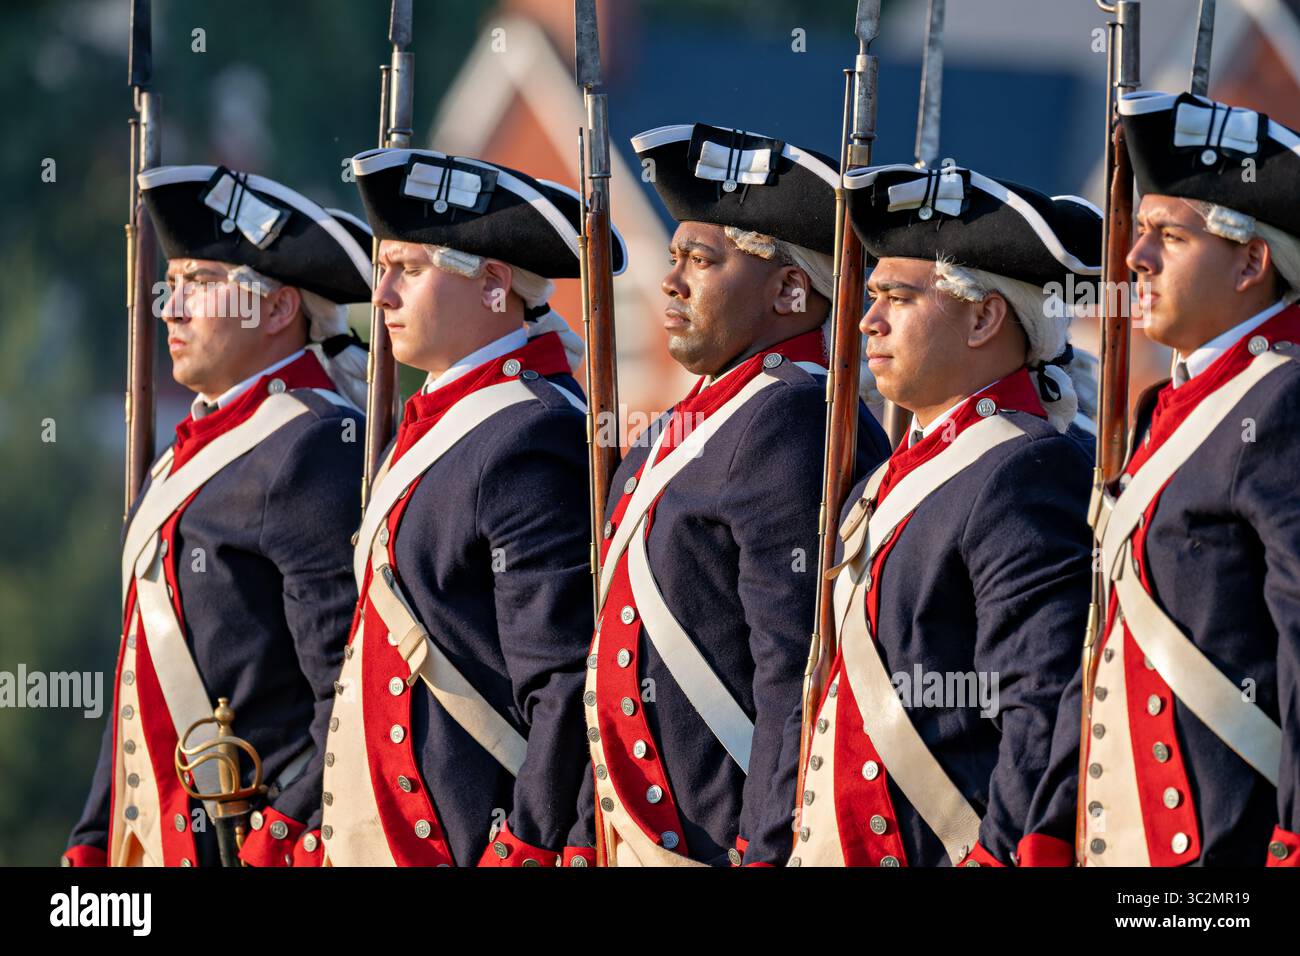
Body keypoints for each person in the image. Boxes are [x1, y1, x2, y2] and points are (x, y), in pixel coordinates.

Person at [585, 122, 891, 867]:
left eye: (702, 260)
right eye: (674, 257)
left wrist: (768, 850)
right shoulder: (696, 420)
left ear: (790, 289)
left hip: (714, 843)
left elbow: (792, 675)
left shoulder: (790, 418)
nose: (670, 280)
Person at [318, 148, 622, 867]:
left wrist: (527, 846)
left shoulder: (530, 432)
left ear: (494, 285)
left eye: (410, 270)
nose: (381, 295)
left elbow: (564, 683)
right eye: (380, 268)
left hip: (462, 842)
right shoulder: (437, 424)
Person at [792, 160, 1099, 866]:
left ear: (986, 316)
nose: (867, 319)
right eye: (872, 296)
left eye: (898, 297)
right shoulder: (906, 469)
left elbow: (1041, 703)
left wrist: (1004, 854)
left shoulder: (1025, 468)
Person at [64, 166, 371, 867]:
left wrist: (281, 836)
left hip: (250, 844)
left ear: (276, 309)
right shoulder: (183, 456)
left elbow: (346, 695)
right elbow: (137, 678)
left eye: (200, 284)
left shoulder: (314, 445)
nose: (170, 309)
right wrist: (93, 835)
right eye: (172, 284)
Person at [1027, 90, 1300, 867]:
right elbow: (1105, 637)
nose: (1134, 260)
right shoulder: (1170, 408)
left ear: (1252, 261)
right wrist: (1052, 823)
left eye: (1168, 237)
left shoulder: (1282, 400)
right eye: (1139, 232)